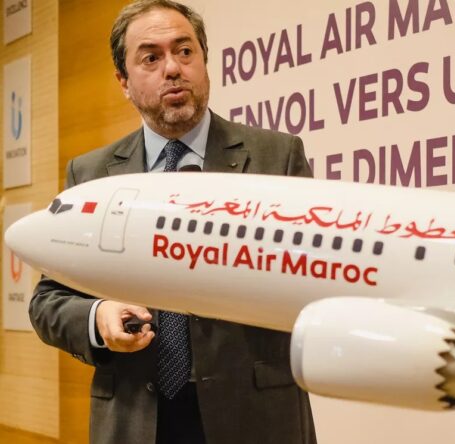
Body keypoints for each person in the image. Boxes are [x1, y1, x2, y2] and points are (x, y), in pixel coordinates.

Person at [28, 1, 316, 443]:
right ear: (123, 82)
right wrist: (98, 317)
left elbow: (314, 277)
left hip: (253, 415)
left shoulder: (275, 157)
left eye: (185, 51)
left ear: (204, 60)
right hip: (135, 419)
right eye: (151, 58)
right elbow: (49, 300)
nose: (173, 69)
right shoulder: (91, 174)